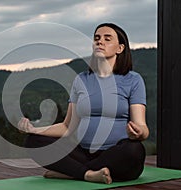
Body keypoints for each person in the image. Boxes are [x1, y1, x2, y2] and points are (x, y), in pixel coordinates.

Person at [18, 23, 149, 184]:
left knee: (134, 150)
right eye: (96, 38)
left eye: (107, 39)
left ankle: (73, 172)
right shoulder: (81, 80)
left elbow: (142, 127)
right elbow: (67, 127)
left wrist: (139, 133)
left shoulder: (133, 80)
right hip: (83, 152)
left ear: (120, 48)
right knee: (34, 141)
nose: (100, 42)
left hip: (117, 153)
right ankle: (88, 174)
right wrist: (34, 129)